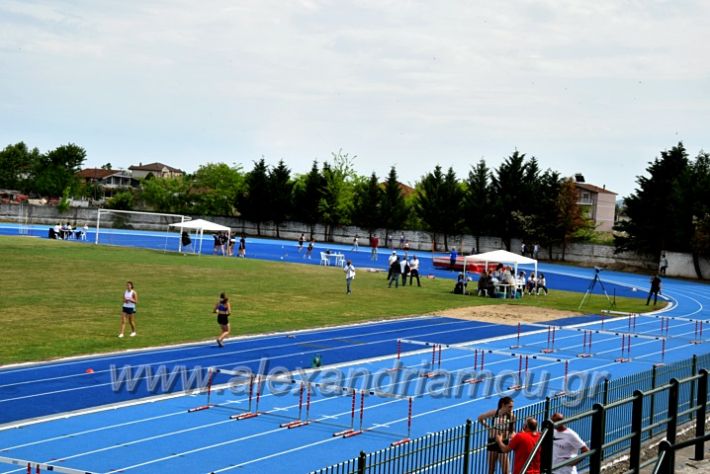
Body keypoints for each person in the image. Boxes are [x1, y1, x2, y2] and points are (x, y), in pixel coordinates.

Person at [479, 396, 515, 474]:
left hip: (503, 443)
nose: (511, 409)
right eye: (510, 407)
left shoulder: (512, 416)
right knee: (491, 469)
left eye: (512, 407)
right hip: (493, 442)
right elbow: (480, 418)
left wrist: (511, 435)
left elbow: (512, 431)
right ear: (503, 405)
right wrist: (488, 427)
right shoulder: (494, 413)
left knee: (506, 471)